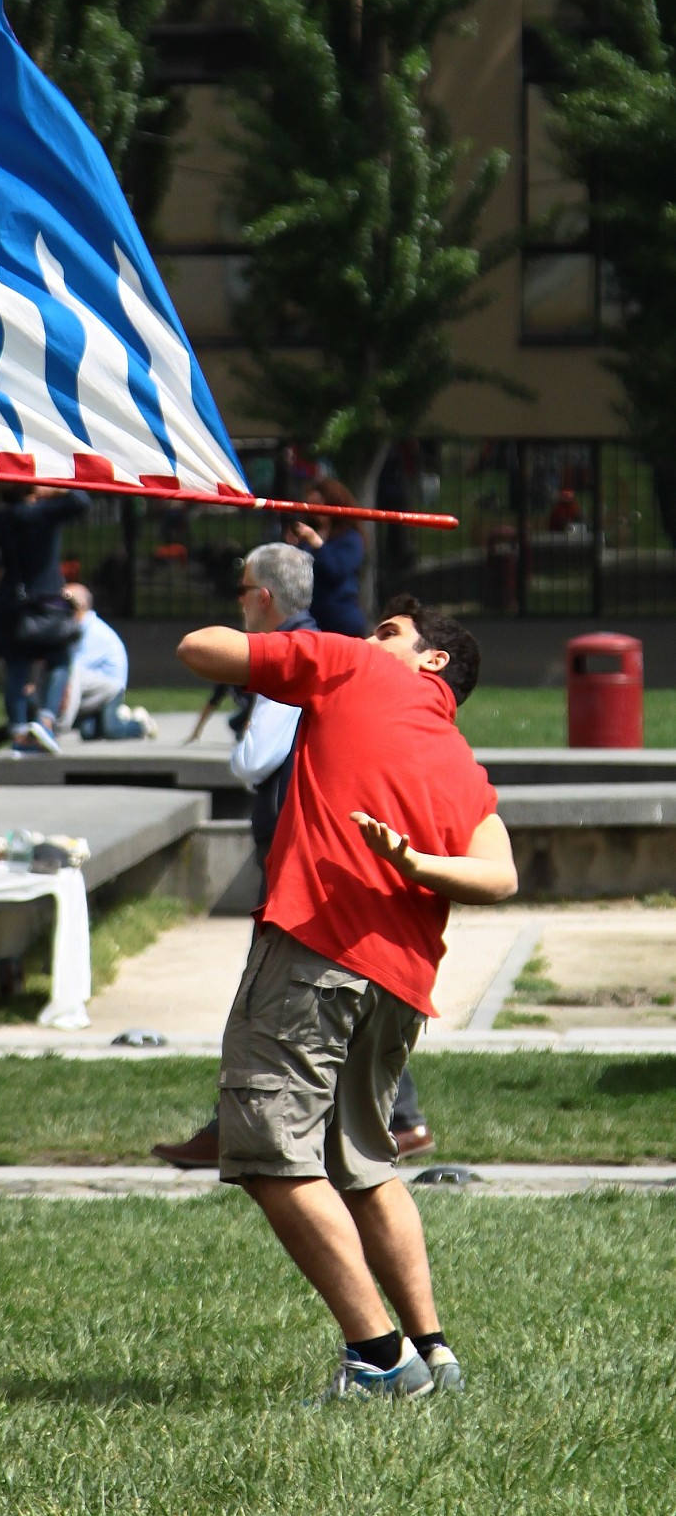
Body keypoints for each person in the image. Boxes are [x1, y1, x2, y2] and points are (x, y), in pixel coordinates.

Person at [177, 594, 518, 1398]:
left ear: (432, 659)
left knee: (269, 1153)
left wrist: (290, 627)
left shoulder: (353, 664)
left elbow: (199, 648)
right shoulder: (464, 768)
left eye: (390, 632)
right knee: (363, 1163)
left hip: (314, 954)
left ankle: (378, 1360)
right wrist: (422, 869)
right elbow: (499, 874)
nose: (372, 638)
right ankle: (435, 1352)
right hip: (398, 987)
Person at [157, 545, 434, 1166]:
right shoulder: (330, 655)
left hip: (298, 844)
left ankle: (256, 1123)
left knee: (302, 981)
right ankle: (390, 1117)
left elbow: (256, 758)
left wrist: (236, 751)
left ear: (263, 597)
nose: (238, 598)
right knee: (347, 978)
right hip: (320, 844)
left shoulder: (302, 657)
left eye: (242, 586)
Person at [0, 484, 89, 754]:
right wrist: (54, 491)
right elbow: (82, 500)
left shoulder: (3, 517)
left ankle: (18, 733)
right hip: (45, 604)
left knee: (16, 668)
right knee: (60, 661)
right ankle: (46, 720)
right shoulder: (44, 512)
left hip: (11, 603)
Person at [58, 585, 156, 740]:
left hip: (111, 690)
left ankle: (141, 724)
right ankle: (116, 716)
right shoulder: (75, 628)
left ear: (80, 605)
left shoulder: (95, 632)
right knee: (88, 732)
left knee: (112, 730)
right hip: (91, 691)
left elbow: (74, 673)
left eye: (65, 604)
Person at [290, 477, 369, 636]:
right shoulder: (308, 538)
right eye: (311, 506)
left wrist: (317, 544)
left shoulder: (350, 538)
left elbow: (335, 572)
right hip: (312, 620)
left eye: (320, 505)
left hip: (340, 619)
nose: (316, 511)